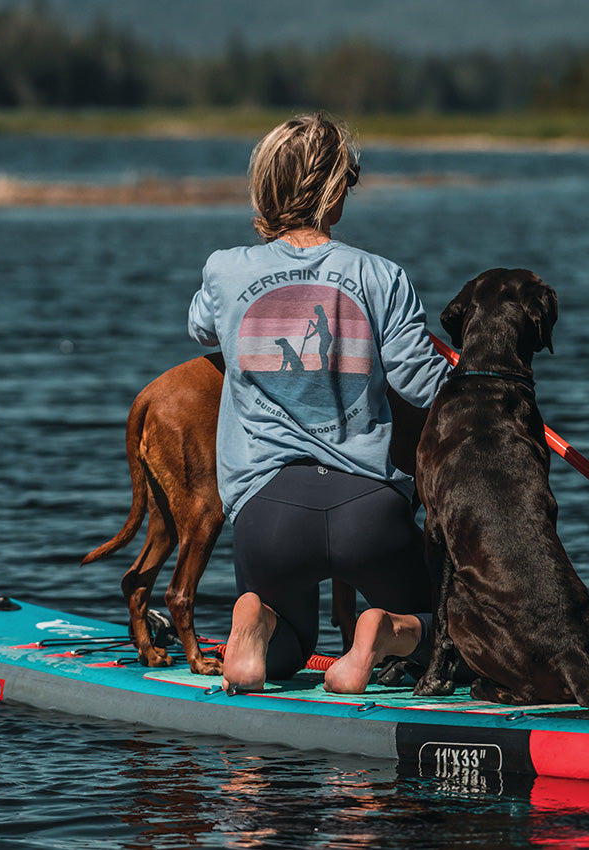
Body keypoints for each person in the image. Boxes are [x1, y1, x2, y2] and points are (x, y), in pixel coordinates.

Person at [187, 112, 447, 693]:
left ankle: (256, 622)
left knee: (288, 654)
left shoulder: (225, 270)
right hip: (370, 508)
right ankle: (383, 631)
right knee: (444, 633)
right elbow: (421, 385)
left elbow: (202, 327)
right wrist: (482, 386)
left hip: (268, 510)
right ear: (334, 193)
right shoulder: (382, 276)